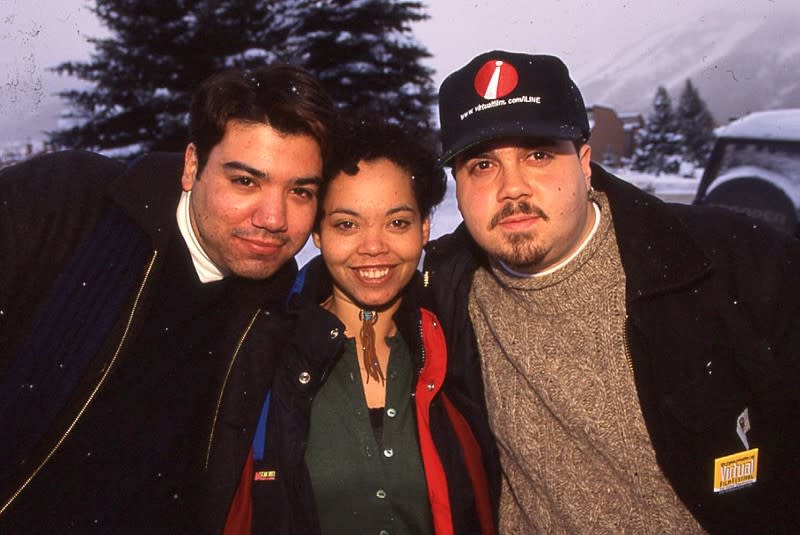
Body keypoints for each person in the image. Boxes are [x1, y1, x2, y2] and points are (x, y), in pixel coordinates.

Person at [422, 50, 800, 534]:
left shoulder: (736, 264)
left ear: (584, 162)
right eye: (481, 165)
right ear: (458, 186)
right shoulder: (447, 289)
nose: (511, 188)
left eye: (537, 154)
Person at [0, 64, 335, 532]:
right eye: (245, 182)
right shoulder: (68, 202)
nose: (273, 218)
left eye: (300, 191)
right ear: (192, 165)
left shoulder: (278, 310)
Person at [224, 117, 496, 534]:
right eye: (347, 224)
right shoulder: (265, 350)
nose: (373, 247)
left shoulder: (457, 345)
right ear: (317, 231)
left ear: (425, 228)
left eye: (397, 223)